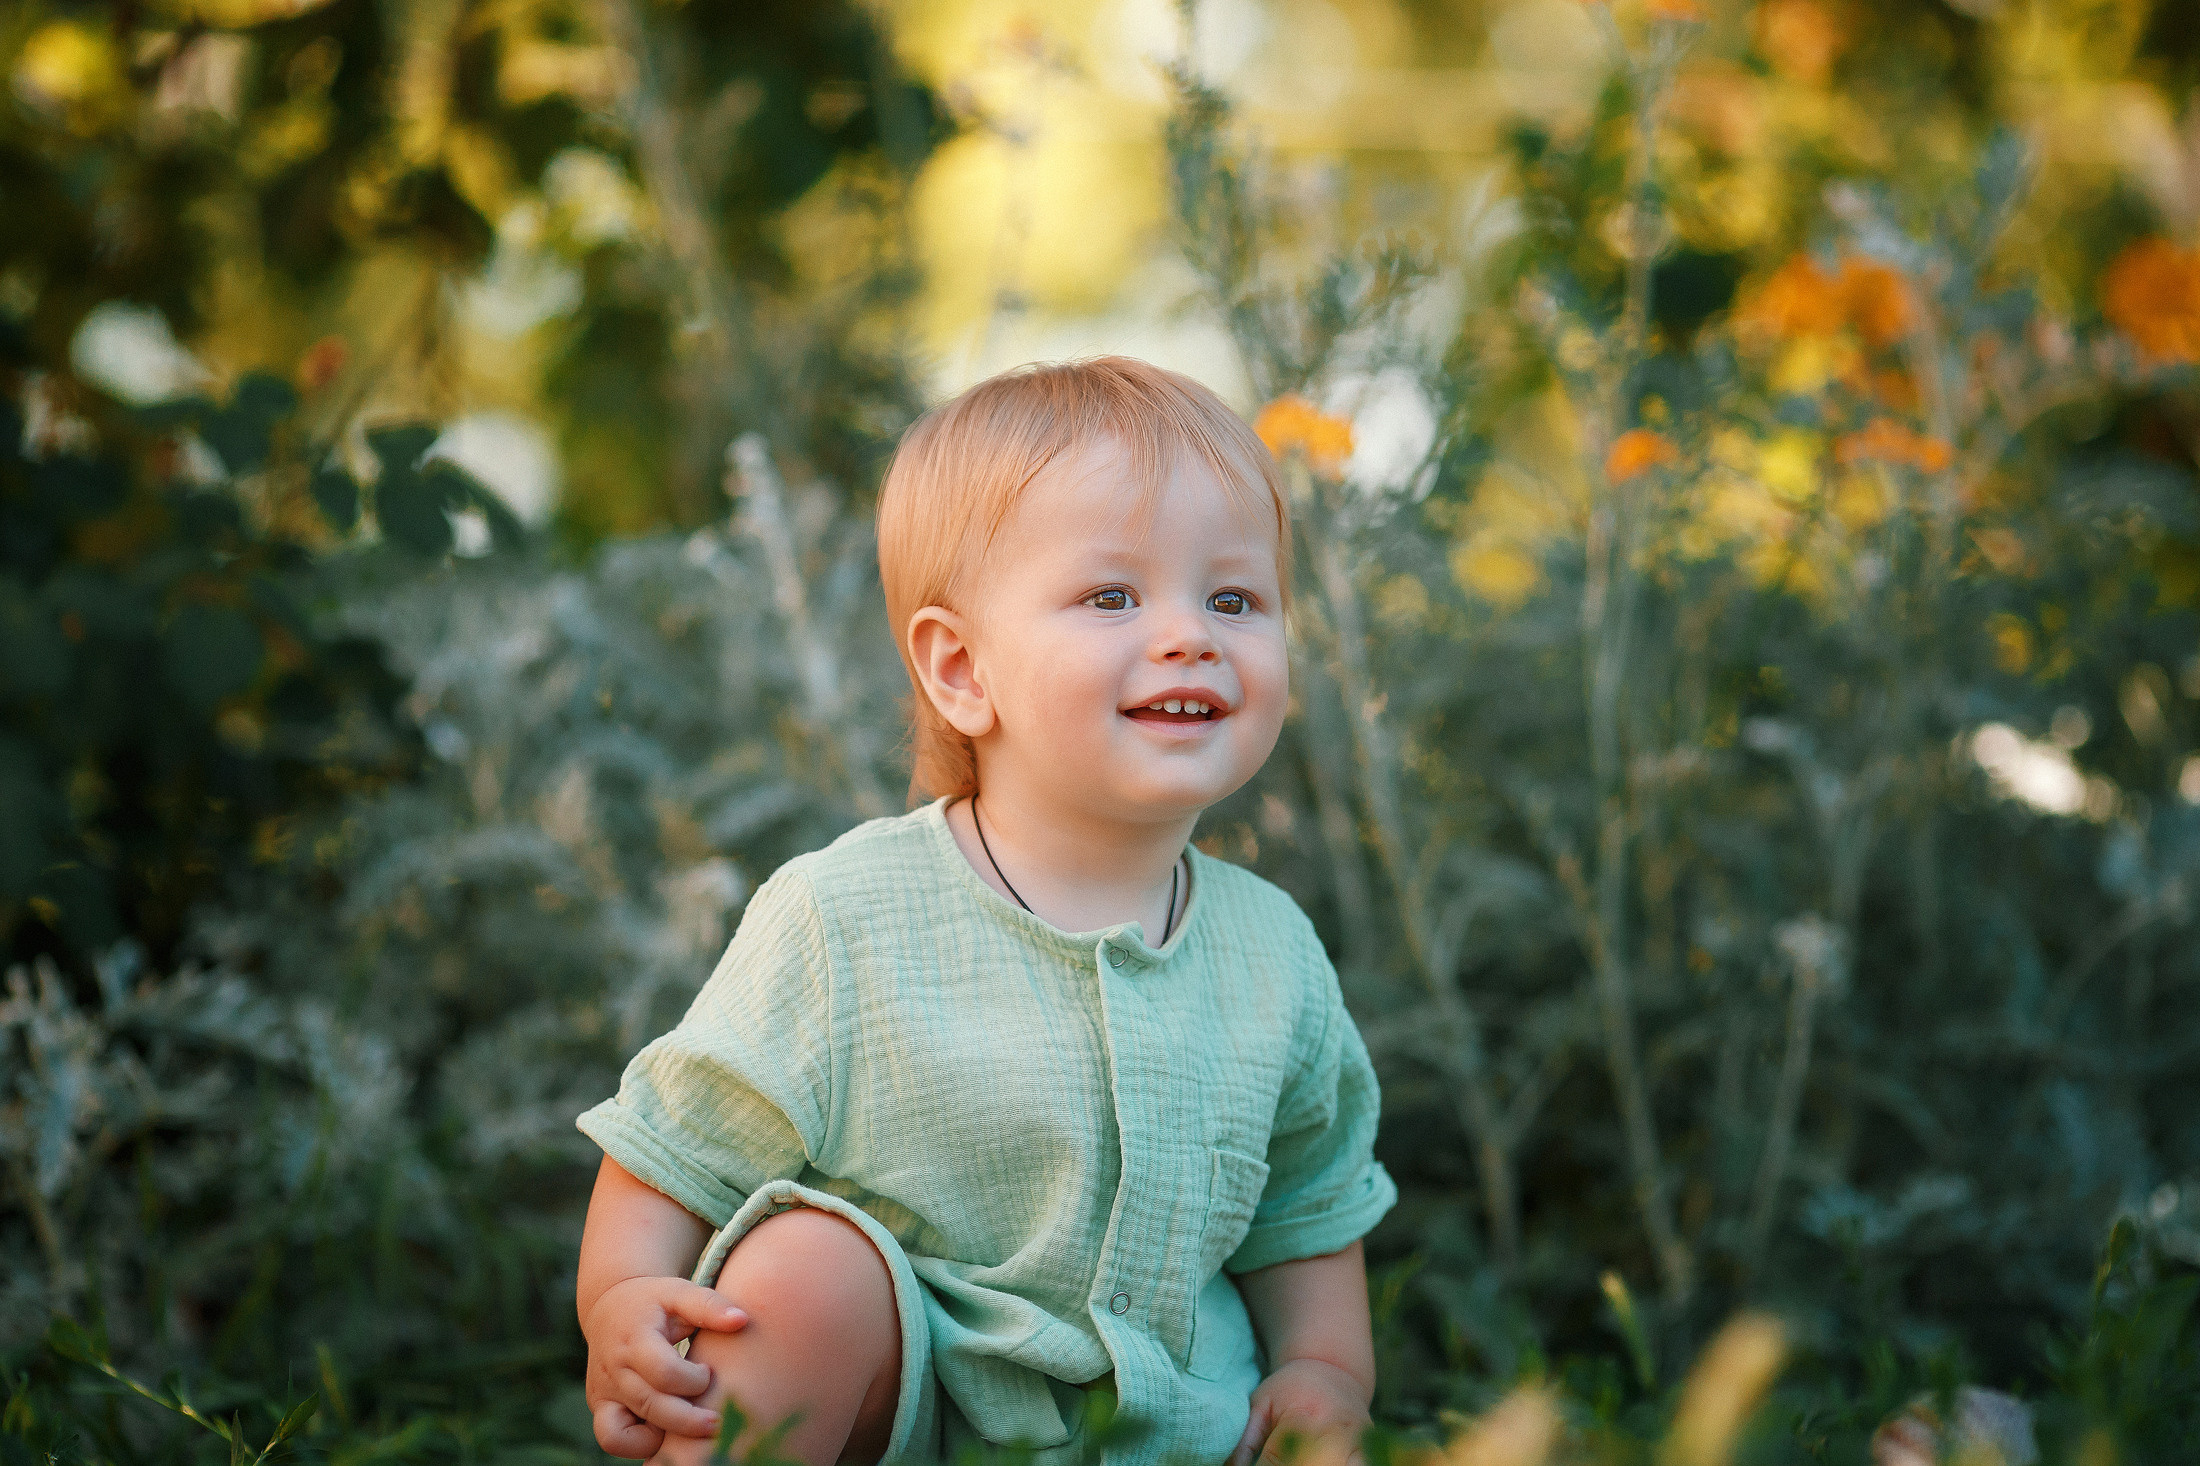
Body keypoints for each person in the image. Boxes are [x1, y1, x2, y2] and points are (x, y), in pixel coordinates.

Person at [573, 357, 1396, 1466]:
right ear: (960, 668)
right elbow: (676, 1146)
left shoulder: (1272, 954)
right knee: (803, 1269)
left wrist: (1325, 1370)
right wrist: (621, 1297)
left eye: (1234, 597)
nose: (1190, 633)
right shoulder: (846, 915)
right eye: (1112, 596)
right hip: (908, 1413)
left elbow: (1305, 1210)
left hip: (1178, 1431)